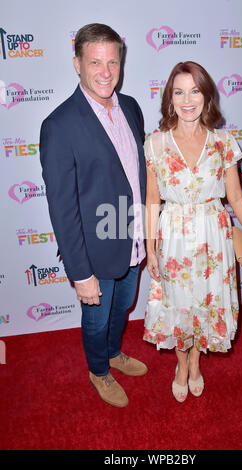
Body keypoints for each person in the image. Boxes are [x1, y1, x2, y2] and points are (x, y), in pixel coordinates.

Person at [40, 23, 147, 408]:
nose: (105, 71)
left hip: (132, 238)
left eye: (112, 62)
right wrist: (80, 273)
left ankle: (115, 353)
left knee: (123, 309)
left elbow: (137, 177)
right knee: (97, 320)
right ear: (77, 64)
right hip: (93, 252)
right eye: (95, 62)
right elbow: (62, 207)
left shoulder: (131, 107)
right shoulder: (59, 125)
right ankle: (99, 370)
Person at [143, 61, 242, 402]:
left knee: (207, 303)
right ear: (170, 99)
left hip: (213, 235)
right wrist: (150, 248)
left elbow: (235, 195)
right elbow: (152, 200)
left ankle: (196, 362)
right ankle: (181, 364)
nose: (187, 99)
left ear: (206, 96)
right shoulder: (156, 143)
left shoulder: (223, 141)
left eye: (195, 90)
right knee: (178, 305)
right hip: (174, 235)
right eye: (179, 92)